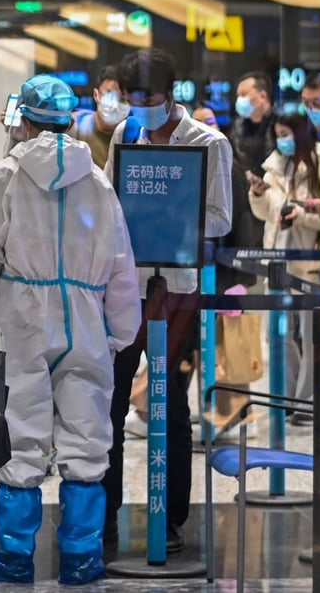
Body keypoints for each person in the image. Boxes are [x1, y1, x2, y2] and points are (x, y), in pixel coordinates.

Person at [0, 75, 141, 585]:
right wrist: (121, 330)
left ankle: (16, 557)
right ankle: (81, 557)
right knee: (88, 438)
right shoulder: (98, 180)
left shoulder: (6, 175)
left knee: (19, 434)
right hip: (84, 316)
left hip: (21, 318)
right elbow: (122, 261)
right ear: (68, 117)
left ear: (26, 118)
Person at [102, 48, 233, 553]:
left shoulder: (208, 143)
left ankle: (172, 518)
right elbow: (113, 203)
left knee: (170, 402)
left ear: (171, 94)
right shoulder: (124, 135)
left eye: (148, 99)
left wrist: (167, 216)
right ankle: (107, 516)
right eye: (133, 100)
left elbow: (220, 219)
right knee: (112, 399)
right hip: (125, 285)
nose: (140, 108)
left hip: (177, 288)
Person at [247, 112, 320, 426]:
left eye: (286, 133)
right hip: (277, 256)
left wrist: (301, 215)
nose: (282, 140)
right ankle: (286, 398)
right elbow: (266, 212)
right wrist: (258, 194)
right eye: (278, 134)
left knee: (310, 334)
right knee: (279, 334)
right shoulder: (274, 166)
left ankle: (309, 402)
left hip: (310, 261)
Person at [72, 65, 131, 168]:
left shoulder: (136, 136)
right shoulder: (72, 127)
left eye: (122, 99)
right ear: (96, 95)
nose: (115, 104)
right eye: (109, 95)